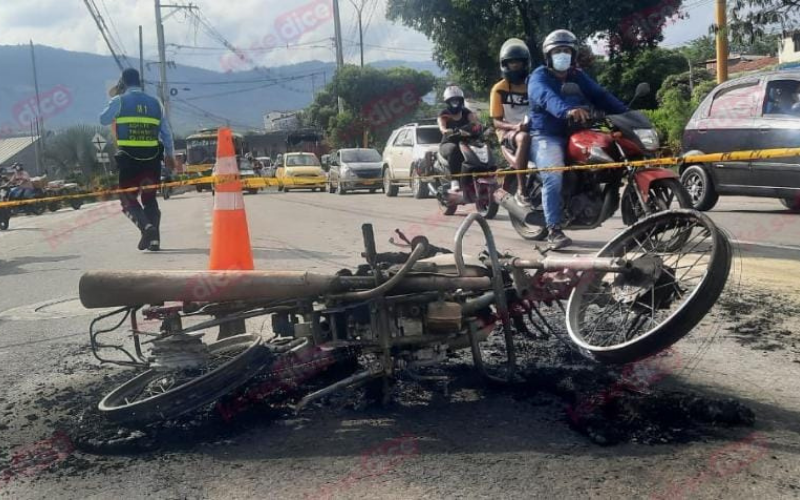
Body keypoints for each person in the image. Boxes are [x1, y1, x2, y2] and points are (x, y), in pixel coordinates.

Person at [528, 29, 629, 250]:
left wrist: (626, 114)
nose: (562, 54)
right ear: (548, 55)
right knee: (554, 175)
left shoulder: (577, 76)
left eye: (566, 50)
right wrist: (567, 111)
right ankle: (553, 230)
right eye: (557, 51)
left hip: (578, 133)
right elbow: (546, 97)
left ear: (573, 55)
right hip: (547, 135)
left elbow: (600, 95)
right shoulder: (538, 76)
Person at [100, 68, 175, 251]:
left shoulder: (119, 101)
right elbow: (166, 133)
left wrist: (116, 96)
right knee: (149, 199)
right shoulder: (156, 103)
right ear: (139, 81)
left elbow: (103, 119)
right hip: (152, 161)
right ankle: (154, 239)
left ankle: (146, 227)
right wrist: (170, 155)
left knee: (127, 199)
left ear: (123, 82)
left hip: (129, 161)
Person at [490, 38, 533, 206]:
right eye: (511, 63)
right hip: (508, 133)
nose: (515, 67)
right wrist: (515, 127)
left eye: (519, 63)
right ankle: (522, 190)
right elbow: (496, 122)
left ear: (526, 64)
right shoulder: (499, 89)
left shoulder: (533, 85)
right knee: (523, 137)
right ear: (505, 65)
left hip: (533, 128)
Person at [437, 85, 481, 192]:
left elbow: (475, 123)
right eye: (452, 100)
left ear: (461, 100)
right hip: (448, 143)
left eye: (457, 100)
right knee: (454, 149)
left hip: (466, 143)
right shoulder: (444, 114)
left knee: (481, 148)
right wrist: (447, 130)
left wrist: (478, 127)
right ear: (447, 102)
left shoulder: (466, 112)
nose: (455, 102)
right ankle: (455, 180)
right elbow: (442, 127)